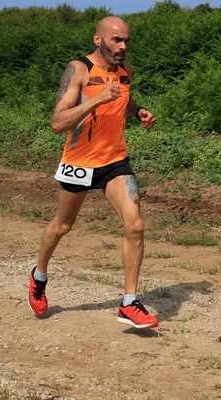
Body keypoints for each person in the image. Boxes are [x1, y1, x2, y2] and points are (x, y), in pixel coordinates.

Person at [28, 16, 159, 329]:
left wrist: (137, 110)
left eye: (126, 40)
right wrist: (97, 99)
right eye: (116, 40)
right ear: (98, 39)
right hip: (80, 161)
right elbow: (58, 123)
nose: (123, 46)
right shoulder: (80, 70)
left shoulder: (124, 72)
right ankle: (39, 275)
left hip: (115, 161)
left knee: (136, 224)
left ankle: (129, 303)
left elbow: (122, 97)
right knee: (62, 225)